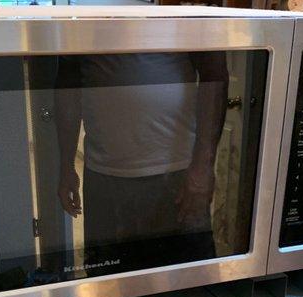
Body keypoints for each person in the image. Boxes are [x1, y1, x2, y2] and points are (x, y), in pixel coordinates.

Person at [55, 51, 229, 275]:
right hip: (104, 178)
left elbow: (214, 74)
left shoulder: (182, 15)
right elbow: (67, 84)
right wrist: (66, 165)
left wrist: (203, 167)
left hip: (177, 175)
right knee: (108, 284)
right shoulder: (80, 16)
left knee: (189, 282)